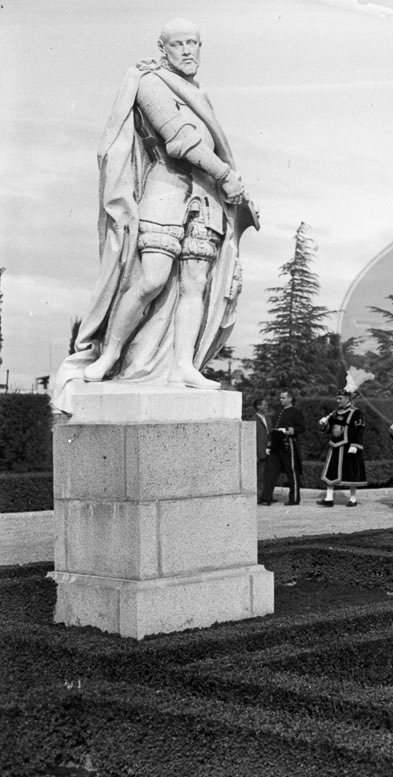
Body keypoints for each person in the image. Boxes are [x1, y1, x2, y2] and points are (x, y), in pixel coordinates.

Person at [52, 18, 259, 414]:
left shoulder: (200, 92)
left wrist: (231, 186)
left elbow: (211, 149)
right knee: (151, 278)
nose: (188, 51)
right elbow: (179, 140)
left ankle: (183, 365)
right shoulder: (149, 80)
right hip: (166, 186)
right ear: (162, 48)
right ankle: (110, 354)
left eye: (194, 43)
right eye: (178, 44)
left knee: (194, 282)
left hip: (206, 196)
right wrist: (227, 176)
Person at [316, 388, 367, 507]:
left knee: (351, 472)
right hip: (335, 445)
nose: (337, 400)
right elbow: (331, 429)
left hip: (348, 446)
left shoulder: (356, 413)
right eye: (337, 398)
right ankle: (329, 498)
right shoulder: (335, 412)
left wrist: (355, 445)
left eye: (340, 398)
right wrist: (324, 424)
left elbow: (359, 430)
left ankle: (353, 498)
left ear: (348, 399)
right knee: (330, 472)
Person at [260, 390, 305, 506]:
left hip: (288, 444)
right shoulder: (278, 411)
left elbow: (301, 428)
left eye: (283, 398)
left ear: (290, 399)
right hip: (276, 445)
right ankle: (266, 497)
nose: (281, 400)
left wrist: (287, 430)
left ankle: (294, 498)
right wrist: (270, 444)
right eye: (280, 398)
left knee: (291, 472)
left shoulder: (295, 412)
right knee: (271, 471)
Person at [253, 397, 270, 500]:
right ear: (258, 407)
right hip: (259, 452)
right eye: (264, 405)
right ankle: (258, 497)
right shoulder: (253, 420)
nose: (266, 407)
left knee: (266, 476)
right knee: (259, 477)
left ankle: (264, 496)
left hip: (268, 451)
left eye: (267, 405)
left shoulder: (268, 418)